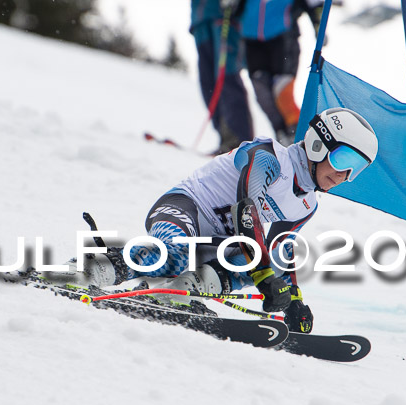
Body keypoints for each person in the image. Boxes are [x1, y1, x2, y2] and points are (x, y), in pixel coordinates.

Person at [62, 108, 378, 334]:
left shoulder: (307, 204)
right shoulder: (269, 156)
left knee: (278, 261)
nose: (344, 176)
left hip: (217, 244)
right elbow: (247, 209)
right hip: (185, 210)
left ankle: (180, 292)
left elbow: (282, 253)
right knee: (177, 253)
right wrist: (263, 273)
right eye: (343, 160)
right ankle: (90, 270)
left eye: (357, 169)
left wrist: (292, 300)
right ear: (318, 144)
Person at [238, 0, 325, 145]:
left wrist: (318, 24)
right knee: (262, 94)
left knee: (282, 91)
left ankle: (301, 138)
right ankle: (282, 135)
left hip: (283, 36)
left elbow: (313, 3)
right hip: (252, 40)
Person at [190, 0, 254, 154]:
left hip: (226, 15)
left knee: (226, 77)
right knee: (208, 83)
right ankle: (226, 139)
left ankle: (239, 142)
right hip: (201, 19)